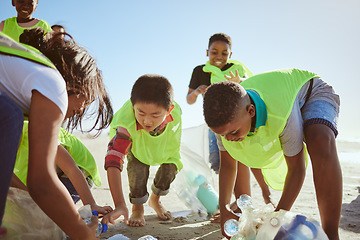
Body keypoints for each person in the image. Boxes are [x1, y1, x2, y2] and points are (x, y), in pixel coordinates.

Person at [0, 27, 113, 239]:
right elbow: (41, 182)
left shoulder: (22, 83)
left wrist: (31, 203)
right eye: (86, 101)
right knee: (10, 116)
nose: (81, 110)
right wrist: (83, 234)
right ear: (76, 84)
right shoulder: (55, 85)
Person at [203, 68, 341, 240]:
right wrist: (224, 208)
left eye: (233, 132)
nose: (228, 139)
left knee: (319, 139)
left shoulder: (280, 113)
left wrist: (277, 218)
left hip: (312, 93)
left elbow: (296, 169)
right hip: (269, 106)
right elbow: (229, 166)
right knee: (241, 144)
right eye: (222, 135)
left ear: (251, 111)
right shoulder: (226, 120)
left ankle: (331, 234)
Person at [186, 33, 272, 217]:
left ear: (230, 54)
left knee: (240, 159)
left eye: (224, 53)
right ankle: (236, 203)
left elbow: (250, 88)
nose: (219, 56)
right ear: (207, 52)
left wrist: (238, 82)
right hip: (216, 124)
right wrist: (197, 93)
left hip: (238, 121)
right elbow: (189, 99)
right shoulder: (200, 71)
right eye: (214, 52)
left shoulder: (236, 68)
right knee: (221, 163)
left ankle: (243, 202)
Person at [102, 74, 182, 227]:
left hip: (162, 145)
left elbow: (174, 142)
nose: (147, 121)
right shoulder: (126, 122)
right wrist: (120, 204)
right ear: (133, 106)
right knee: (137, 167)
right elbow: (113, 159)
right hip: (137, 143)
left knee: (170, 169)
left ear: (169, 110)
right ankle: (137, 208)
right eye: (141, 113)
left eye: (155, 115)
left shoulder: (176, 112)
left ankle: (155, 200)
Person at [10, 120, 113, 216]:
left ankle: (74, 210)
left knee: (52, 215)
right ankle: (74, 209)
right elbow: (23, 192)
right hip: (49, 172)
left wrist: (90, 204)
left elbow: (71, 169)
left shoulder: (36, 132)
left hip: (77, 170)